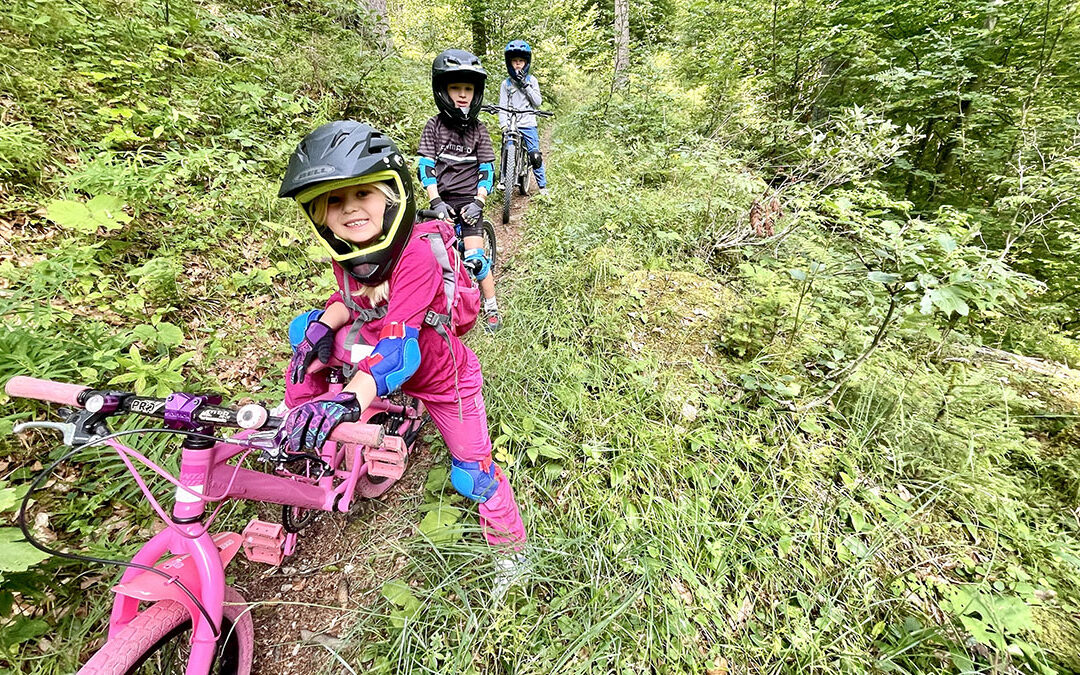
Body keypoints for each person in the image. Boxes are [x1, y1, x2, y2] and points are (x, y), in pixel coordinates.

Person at [277, 121, 527, 573]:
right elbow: (349, 300)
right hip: (378, 352)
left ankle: (513, 552)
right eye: (333, 200)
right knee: (304, 340)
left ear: (392, 195)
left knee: (473, 476)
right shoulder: (349, 250)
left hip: (438, 373)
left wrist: (347, 402)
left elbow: (399, 351)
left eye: (361, 195)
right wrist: (320, 326)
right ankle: (302, 435)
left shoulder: (415, 252)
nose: (349, 210)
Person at [417, 49, 503, 333]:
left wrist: (479, 202)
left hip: (470, 203)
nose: (463, 94)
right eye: (456, 88)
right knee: (434, 261)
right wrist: (436, 201)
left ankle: (491, 307)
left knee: (476, 259)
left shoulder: (479, 130)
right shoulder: (434, 126)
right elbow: (426, 167)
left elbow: (487, 170)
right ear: (443, 90)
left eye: (468, 88)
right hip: (439, 202)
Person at [499, 40, 548, 197]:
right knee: (507, 149)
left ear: (526, 62)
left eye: (521, 61)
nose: (518, 64)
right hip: (512, 123)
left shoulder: (532, 80)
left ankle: (542, 187)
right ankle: (504, 179)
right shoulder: (505, 84)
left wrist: (525, 85)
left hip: (528, 122)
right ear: (510, 62)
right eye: (515, 61)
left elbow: (538, 102)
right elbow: (502, 106)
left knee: (534, 155)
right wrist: (503, 125)